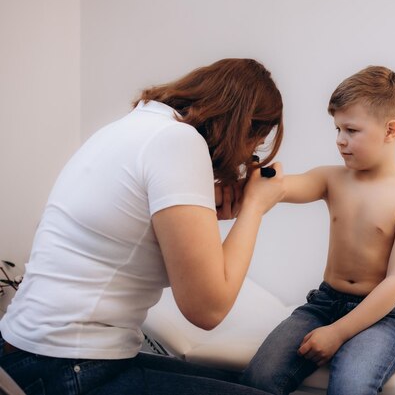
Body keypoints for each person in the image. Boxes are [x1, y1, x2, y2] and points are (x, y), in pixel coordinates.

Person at [0, 58, 285, 394]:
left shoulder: (136, 127)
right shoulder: (179, 142)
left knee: (246, 384)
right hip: (65, 363)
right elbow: (208, 309)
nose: (250, 153)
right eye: (256, 141)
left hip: (30, 353)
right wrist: (255, 206)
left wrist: (202, 212)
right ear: (243, 126)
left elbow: (125, 237)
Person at [240, 66, 395, 395]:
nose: (340, 140)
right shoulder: (332, 179)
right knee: (259, 378)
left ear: (390, 130)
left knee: (352, 386)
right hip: (324, 303)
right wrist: (251, 178)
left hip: (384, 314)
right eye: (338, 128)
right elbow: (281, 188)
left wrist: (338, 333)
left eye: (352, 130)